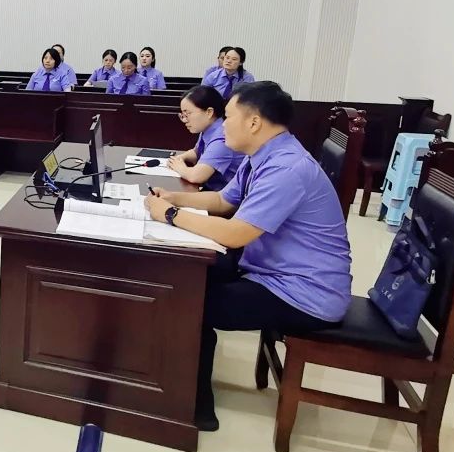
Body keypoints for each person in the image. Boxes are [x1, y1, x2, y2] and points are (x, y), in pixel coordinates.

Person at [143, 81, 351, 432]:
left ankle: (192, 407)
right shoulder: (263, 155)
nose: (223, 125)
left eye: (228, 117)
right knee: (186, 278)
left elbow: (235, 232)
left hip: (304, 293)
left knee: (188, 301)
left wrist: (171, 215)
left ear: (254, 122)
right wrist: (174, 198)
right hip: (273, 272)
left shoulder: (286, 168)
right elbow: (223, 200)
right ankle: (173, 379)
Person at [169, 85, 245, 190]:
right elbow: (197, 152)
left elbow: (196, 176)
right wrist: (180, 158)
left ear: (209, 112)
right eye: (183, 115)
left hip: (223, 195)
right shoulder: (209, 127)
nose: (185, 120)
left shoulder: (223, 137)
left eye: (188, 114)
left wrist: (180, 167)